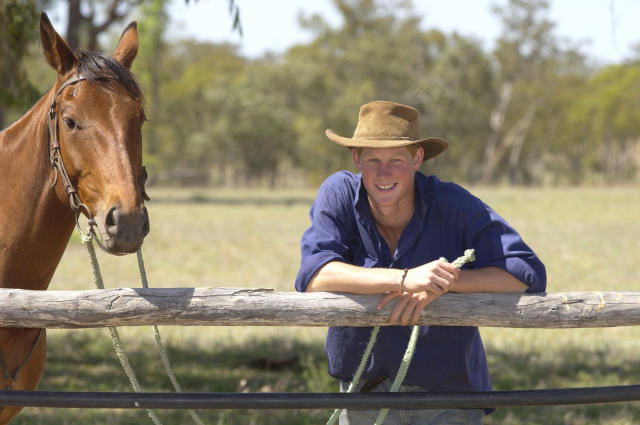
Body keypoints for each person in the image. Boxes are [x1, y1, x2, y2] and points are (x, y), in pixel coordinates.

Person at [294, 100, 546, 424]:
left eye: (396, 160)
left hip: (446, 395)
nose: (384, 172)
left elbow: (524, 271)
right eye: (373, 160)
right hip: (364, 393)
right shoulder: (339, 193)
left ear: (417, 159)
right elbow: (314, 274)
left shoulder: (453, 203)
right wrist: (404, 278)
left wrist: (446, 282)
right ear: (357, 159)